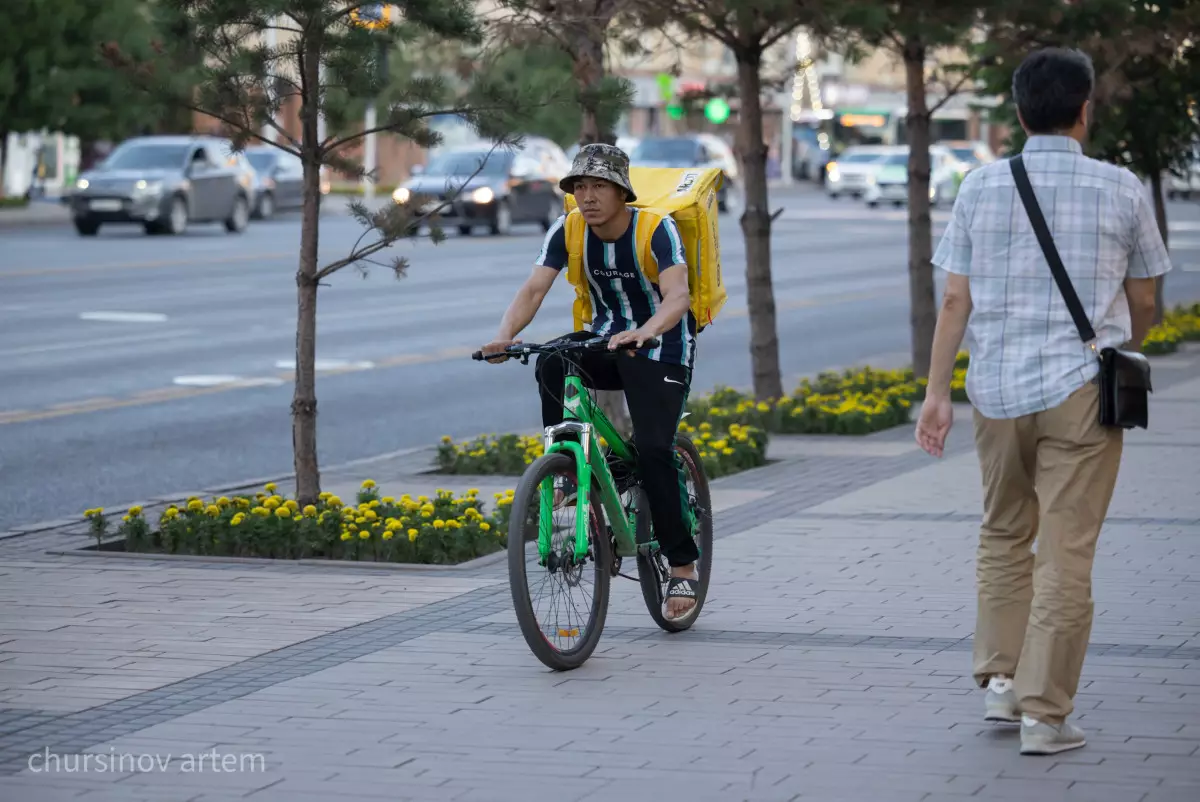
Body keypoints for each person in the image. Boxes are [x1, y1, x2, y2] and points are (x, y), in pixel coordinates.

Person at [915, 47, 1171, 756]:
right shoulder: (1122, 189)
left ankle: (1000, 682)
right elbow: (1147, 296)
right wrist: (1125, 340)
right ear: (1085, 110)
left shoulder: (980, 186)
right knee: (1066, 552)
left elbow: (955, 299)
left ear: (1020, 114)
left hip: (995, 389)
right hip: (1082, 390)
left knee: (1003, 532)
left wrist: (937, 394)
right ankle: (1045, 714)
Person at [480, 143, 701, 621]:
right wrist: (504, 337)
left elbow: (678, 296)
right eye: (580, 186)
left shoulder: (654, 229)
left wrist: (646, 329)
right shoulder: (570, 230)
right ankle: (566, 464)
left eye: (598, 185)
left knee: (655, 450)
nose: (588, 196)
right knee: (551, 361)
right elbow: (535, 287)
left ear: (622, 191)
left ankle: (683, 564)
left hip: (661, 347)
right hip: (605, 342)